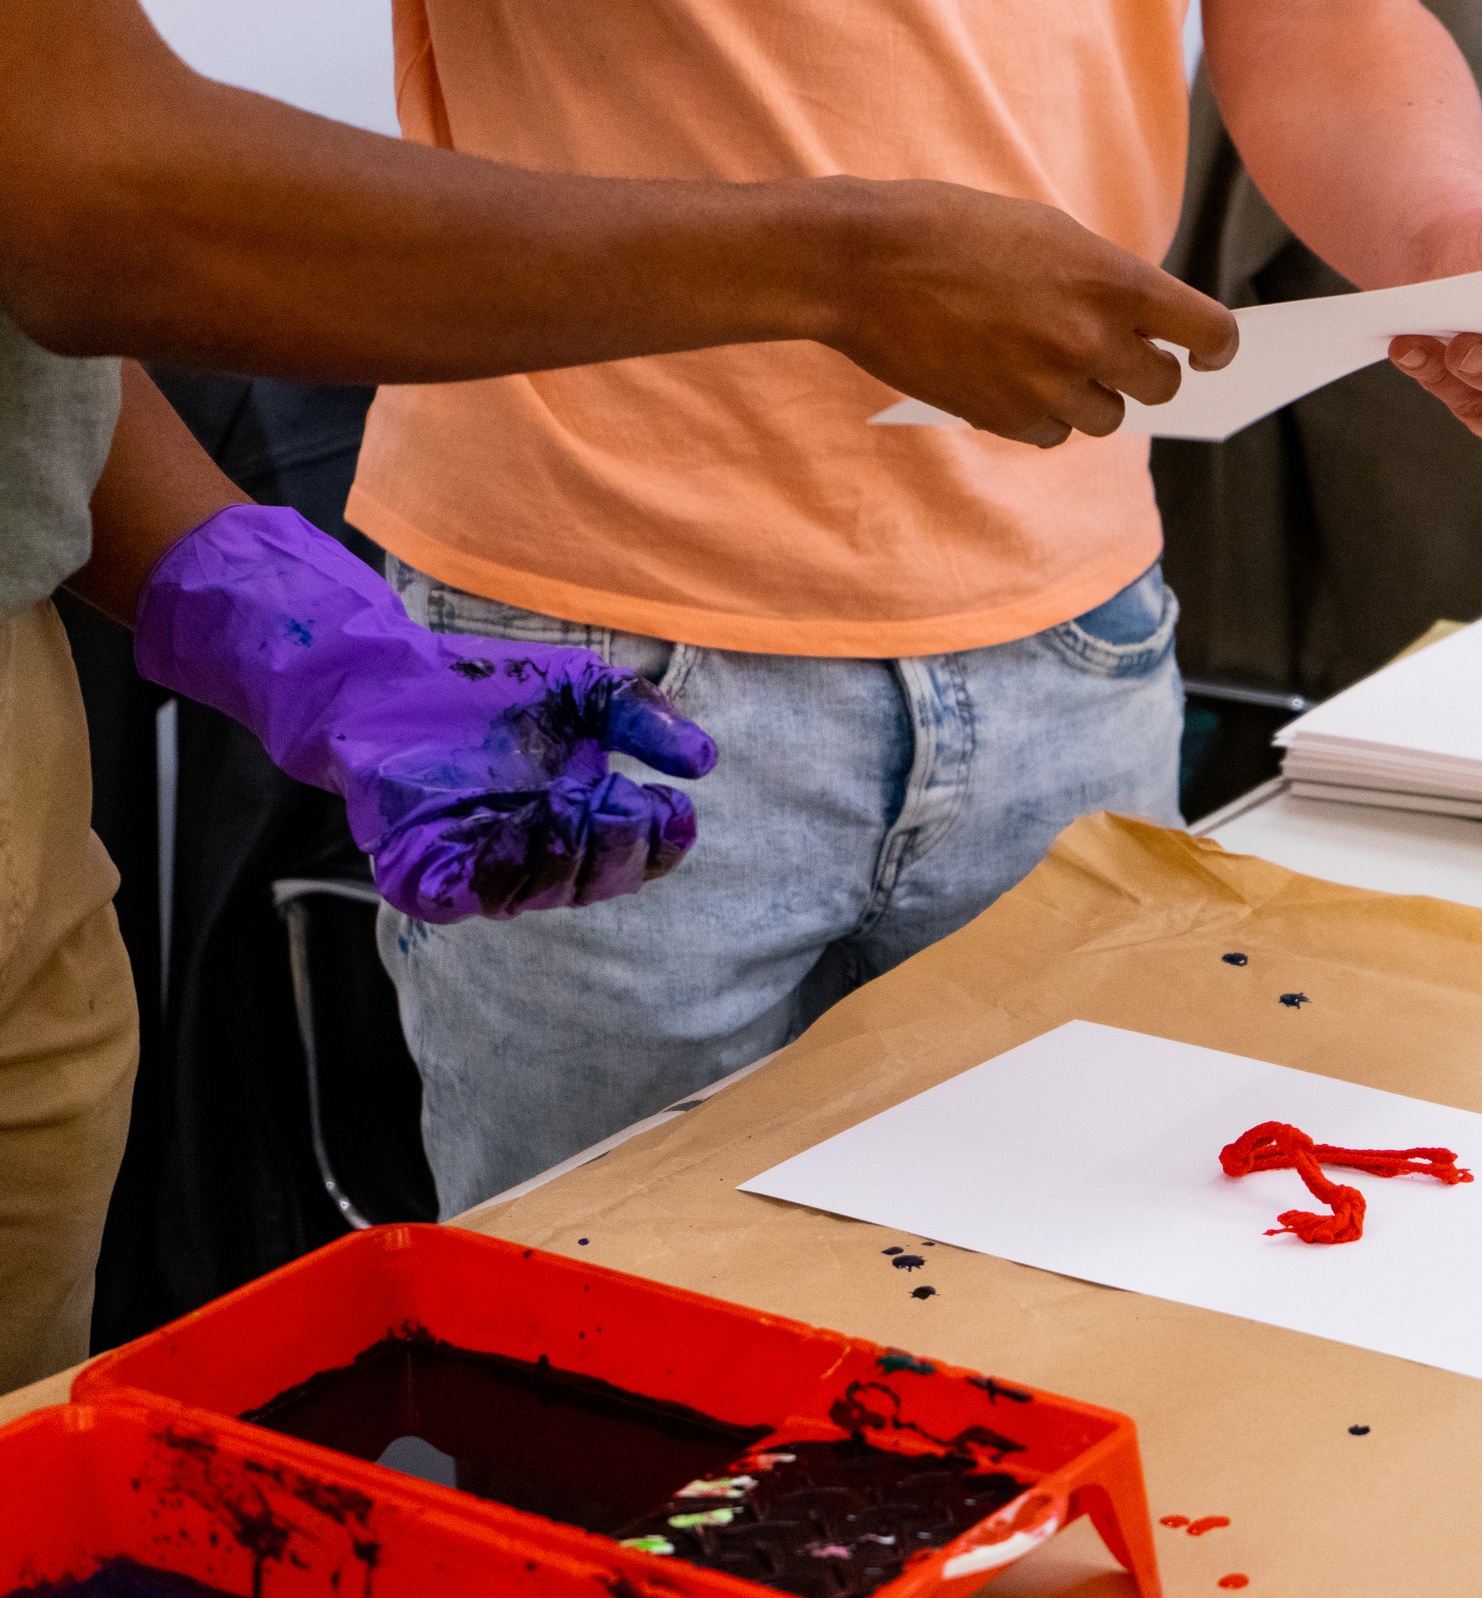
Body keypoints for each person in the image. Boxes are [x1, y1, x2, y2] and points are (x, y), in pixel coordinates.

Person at [0, 0, 1238, 1391]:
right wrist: (836, 262)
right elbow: (92, 195)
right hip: (609, 602)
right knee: (607, 1383)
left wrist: (273, 620)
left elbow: (32, 256)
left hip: (34, 807)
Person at [348, 0, 1482, 1215]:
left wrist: (1445, 232)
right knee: (612, 1364)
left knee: (1062, 1323)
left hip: (1073, 638)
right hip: (597, 641)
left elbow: (1316, 20)